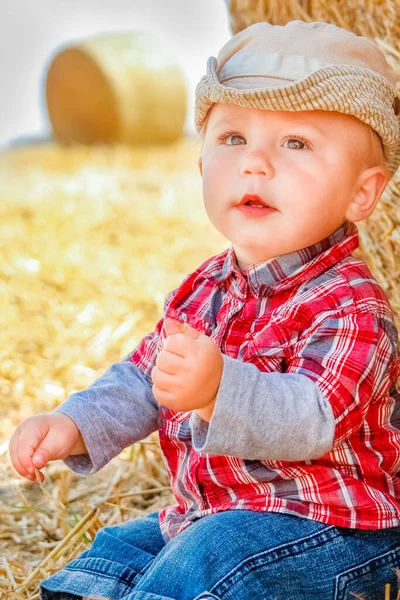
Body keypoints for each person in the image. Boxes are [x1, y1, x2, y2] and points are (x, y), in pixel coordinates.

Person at [9, 19, 400, 600]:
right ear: (201, 167)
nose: (256, 163)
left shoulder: (351, 305)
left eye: (296, 144)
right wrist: (74, 424)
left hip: (335, 531)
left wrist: (220, 389)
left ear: (361, 193)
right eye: (233, 139)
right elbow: (147, 376)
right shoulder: (205, 287)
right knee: (125, 543)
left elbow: (314, 419)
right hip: (212, 514)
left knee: (213, 552)